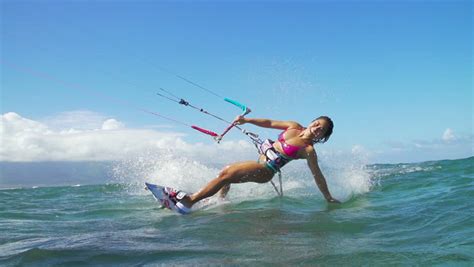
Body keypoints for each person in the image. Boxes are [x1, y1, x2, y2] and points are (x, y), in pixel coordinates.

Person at [174, 115, 340, 213]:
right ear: (312, 121)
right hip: (259, 162)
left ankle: (190, 200)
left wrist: (328, 197)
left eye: (322, 130)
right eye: (317, 123)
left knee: (227, 173)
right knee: (227, 175)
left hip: (266, 170)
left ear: (322, 137)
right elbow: (269, 123)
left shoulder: (308, 150)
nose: (317, 128)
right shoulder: (294, 126)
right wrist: (247, 120)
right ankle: (219, 202)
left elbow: (316, 174)